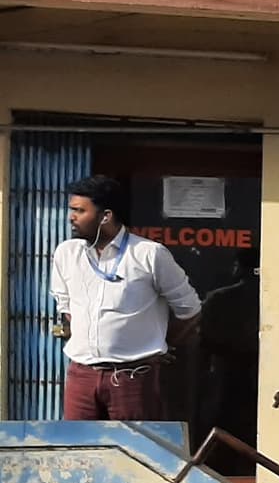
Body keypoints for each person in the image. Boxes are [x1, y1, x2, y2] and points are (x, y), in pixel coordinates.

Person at [50, 174, 202, 421]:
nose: (71, 217)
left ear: (106, 216)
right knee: (79, 452)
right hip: (82, 376)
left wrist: (162, 344)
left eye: (79, 211)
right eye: (72, 209)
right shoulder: (66, 254)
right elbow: (66, 309)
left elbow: (191, 310)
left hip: (132, 379)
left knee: (133, 453)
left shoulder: (149, 255)